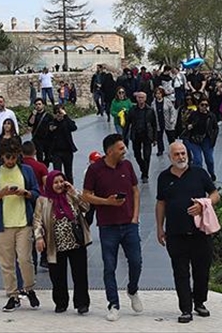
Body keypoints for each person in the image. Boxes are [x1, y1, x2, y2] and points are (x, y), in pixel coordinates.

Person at [156, 141, 220, 323]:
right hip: (176, 234)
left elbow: (215, 194)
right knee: (180, 272)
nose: (181, 157)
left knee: (202, 271)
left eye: (183, 153)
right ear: (170, 157)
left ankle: (199, 302)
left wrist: (203, 204)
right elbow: (161, 203)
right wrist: (160, 227)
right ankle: (185, 309)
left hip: (200, 233)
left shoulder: (199, 173)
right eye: (176, 154)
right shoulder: (164, 177)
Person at [82, 133, 142, 322]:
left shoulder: (127, 165)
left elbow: (135, 190)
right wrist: (106, 202)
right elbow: (86, 195)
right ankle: (113, 304)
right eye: (121, 148)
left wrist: (135, 216)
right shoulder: (95, 170)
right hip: (108, 226)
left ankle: (132, 290)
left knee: (136, 262)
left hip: (129, 224)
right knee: (109, 266)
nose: (125, 151)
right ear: (110, 151)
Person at [0, 139, 41, 312]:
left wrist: (26, 193)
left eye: (14, 157)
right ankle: (13, 295)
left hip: (24, 222)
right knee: (6, 262)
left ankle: (29, 288)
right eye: (8, 157)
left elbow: (37, 192)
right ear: (1, 156)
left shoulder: (27, 171)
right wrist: (0, 194)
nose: (11, 161)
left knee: (25, 259)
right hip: (4, 225)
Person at [34, 169, 91, 315]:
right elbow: (37, 221)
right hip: (55, 244)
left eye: (61, 181)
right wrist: (39, 237)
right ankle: (60, 302)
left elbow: (86, 207)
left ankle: (82, 303)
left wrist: (73, 191)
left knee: (80, 274)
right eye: (56, 182)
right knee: (57, 276)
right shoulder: (43, 200)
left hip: (76, 242)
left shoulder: (70, 195)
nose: (59, 185)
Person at [182, 99, 218, 180]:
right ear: (198, 105)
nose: (204, 107)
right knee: (197, 160)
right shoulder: (194, 114)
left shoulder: (211, 116)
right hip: (194, 140)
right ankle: (198, 177)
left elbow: (215, 128)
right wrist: (189, 126)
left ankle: (212, 173)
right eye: (202, 105)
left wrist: (213, 138)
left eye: (206, 105)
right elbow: (186, 123)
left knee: (209, 160)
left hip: (207, 140)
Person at [128, 92, 158, 182]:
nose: (141, 99)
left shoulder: (150, 110)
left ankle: (145, 174)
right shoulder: (132, 110)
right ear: (136, 98)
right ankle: (142, 167)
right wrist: (124, 136)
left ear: (145, 99)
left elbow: (154, 125)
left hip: (147, 135)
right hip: (136, 134)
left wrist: (155, 138)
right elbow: (127, 123)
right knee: (137, 154)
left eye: (142, 97)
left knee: (147, 155)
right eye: (139, 97)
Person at [44, 105, 78, 182]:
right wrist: (50, 131)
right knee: (57, 173)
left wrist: (65, 115)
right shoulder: (52, 123)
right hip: (56, 152)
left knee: (68, 173)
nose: (58, 115)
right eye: (56, 113)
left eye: (60, 113)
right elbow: (46, 137)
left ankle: (70, 190)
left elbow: (74, 127)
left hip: (67, 151)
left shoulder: (67, 122)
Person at [26, 99, 53, 164]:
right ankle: (41, 169)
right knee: (39, 156)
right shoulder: (33, 115)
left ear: (43, 105)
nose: (38, 106)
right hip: (37, 139)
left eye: (39, 104)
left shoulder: (48, 116)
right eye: (36, 104)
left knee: (48, 157)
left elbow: (52, 125)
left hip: (47, 139)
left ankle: (45, 167)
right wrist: (33, 115)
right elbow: (30, 123)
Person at [153, 87, 178, 155]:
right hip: (158, 122)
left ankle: (173, 149)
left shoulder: (167, 101)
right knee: (159, 137)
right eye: (156, 94)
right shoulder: (153, 103)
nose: (158, 95)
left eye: (159, 93)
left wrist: (172, 119)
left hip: (168, 121)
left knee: (170, 137)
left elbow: (172, 110)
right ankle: (160, 150)